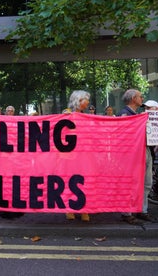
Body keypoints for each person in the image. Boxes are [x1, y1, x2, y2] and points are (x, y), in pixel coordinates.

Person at [118, 89, 158, 225]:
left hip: (145, 150)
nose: (142, 99)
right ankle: (127, 213)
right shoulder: (124, 114)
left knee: (146, 183)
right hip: (131, 154)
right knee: (131, 183)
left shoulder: (138, 115)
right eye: (141, 97)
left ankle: (142, 210)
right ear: (133, 98)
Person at [63, 90, 90, 222]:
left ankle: (83, 208)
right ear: (78, 100)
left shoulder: (86, 115)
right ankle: (70, 208)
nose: (88, 102)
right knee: (70, 181)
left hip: (83, 154)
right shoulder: (66, 113)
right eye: (86, 99)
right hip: (70, 155)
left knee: (83, 181)